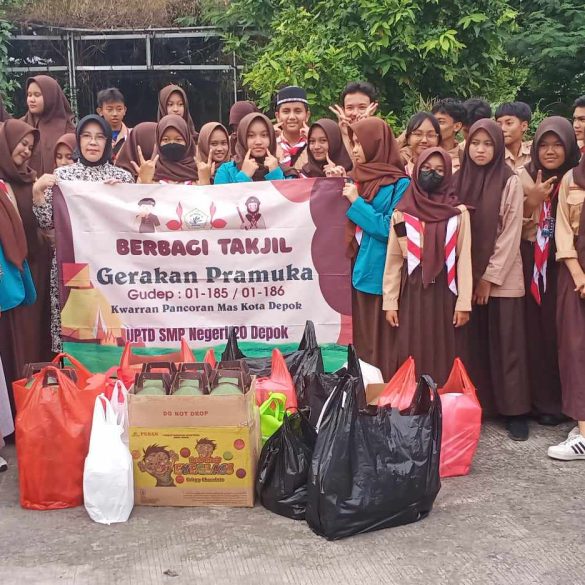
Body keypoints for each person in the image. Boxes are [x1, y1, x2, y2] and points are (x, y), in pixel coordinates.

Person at [456, 119, 531, 440]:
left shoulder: (509, 180)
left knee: (507, 343)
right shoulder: (458, 179)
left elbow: (511, 233)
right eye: (475, 143)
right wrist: (469, 278)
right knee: (473, 343)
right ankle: (482, 405)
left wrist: (488, 278)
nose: (480, 150)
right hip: (465, 274)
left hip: (502, 277)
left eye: (488, 144)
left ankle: (515, 411)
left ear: (498, 147)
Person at [33, 115, 134, 353]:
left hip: (111, 268)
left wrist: (122, 194)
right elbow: (48, 222)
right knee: (76, 327)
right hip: (74, 264)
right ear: (78, 140)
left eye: (100, 137)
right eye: (87, 136)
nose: (93, 142)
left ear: (108, 142)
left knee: (111, 324)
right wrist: (37, 192)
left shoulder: (122, 177)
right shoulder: (63, 177)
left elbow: (131, 225)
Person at [383, 147, 472, 387]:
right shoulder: (402, 213)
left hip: (446, 289)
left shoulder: (458, 213)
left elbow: (464, 259)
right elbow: (394, 260)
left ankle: (442, 401)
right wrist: (390, 302)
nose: (432, 174)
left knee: (444, 348)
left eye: (440, 170)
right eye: (426, 168)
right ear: (416, 171)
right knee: (411, 346)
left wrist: (463, 303)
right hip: (412, 290)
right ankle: (414, 401)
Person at [518, 117, 581, 426]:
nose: (550, 151)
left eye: (557, 144)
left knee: (565, 335)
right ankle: (543, 401)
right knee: (536, 333)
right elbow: (509, 223)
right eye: (544, 145)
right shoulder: (523, 175)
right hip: (532, 263)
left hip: (564, 266)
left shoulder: (576, 177)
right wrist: (531, 201)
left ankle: (570, 404)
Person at [342, 117, 410, 379]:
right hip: (360, 270)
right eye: (353, 143)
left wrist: (357, 203)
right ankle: (365, 394)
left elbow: (389, 229)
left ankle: (386, 394)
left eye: (360, 143)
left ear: (377, 145)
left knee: (384, 344)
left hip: (384, 274)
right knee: (365, 343)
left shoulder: (401, 184)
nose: (355, 150)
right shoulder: (356, 179)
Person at [0, 119, 52, 388]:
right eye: (22, 144)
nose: (26, 151)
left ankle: (35, 396)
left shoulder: (31, 179)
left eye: (30, 147)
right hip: (10, 276)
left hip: (38, 272)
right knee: (14, 339)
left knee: (35, 337)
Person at [547, 152, 585, 459]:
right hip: (574, 274)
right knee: (575, 349)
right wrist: (578, 274)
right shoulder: (572, 178)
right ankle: (583, 431)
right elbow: (562, 230)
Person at [214, 113, 296, 184]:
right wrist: (244, 176)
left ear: (271, 138)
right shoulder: (226, 171)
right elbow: (221, 197)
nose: (258, 142)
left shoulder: (286, 172)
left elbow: (288, 197)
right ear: (242, 138)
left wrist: (276, 174)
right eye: (251, 136)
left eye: (264, 135)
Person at [21, 75, 75, 175]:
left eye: (37, 95)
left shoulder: (69, 131)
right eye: (29, 95)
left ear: (50, 97)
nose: (31, 99)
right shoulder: (20, 126)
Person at [132, 115, 197, 185]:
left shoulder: (198, 172)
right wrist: (145, 182)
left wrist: (204, 181)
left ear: (187, 141)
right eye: (165, 139)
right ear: (158, 141)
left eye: (178, 139)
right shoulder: (149, 172)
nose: (172, 143)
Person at [329, 81, 378, 156]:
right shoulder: (332, 140)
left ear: (373, 109)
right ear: (343, 110)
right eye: (350, 108)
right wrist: (346, 134)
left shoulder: (381, 137)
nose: (355, 113)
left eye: (362, 107)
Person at [274, 86, 310, 170]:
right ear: (278, 116)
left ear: (307, 115)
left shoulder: (316, 146)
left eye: (298, 111)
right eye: (286, 111)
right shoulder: (271, 146)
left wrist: (311, 139)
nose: (292, 117)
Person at [495, 101, 533, 171]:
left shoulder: (534, 153)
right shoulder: (493, 156)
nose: (502, 129)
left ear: (524, 126)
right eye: (499, 124)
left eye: (509, 123)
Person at [431, 98, 466, 172]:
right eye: (433, 121)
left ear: (457, 126)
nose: (434, 126)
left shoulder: (465, 160)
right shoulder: (422, 152)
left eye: (440, 122)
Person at [96, 87, 130, 162]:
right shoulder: (94, 138)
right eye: (110, 109)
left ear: (124, 110)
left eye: (119, 109)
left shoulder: (132, 135)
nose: (115, 114)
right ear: (100, 111)